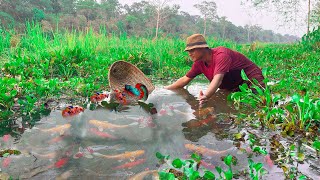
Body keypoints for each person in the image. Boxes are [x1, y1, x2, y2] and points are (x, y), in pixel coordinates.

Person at [164, 34, 265, 106]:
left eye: (192, 50)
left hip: (252, 80)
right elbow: (184, 80)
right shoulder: (199, 63)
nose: (189, 53)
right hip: (232, 85)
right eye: (188, 51)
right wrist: (165, 89)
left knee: (255, 103)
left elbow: (217, 79)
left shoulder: (221, 55)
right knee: (223, 104)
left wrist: (206, 96)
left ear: (203, 48)